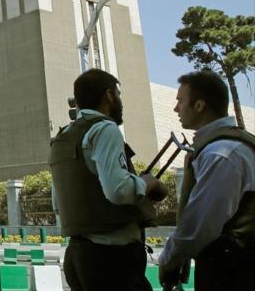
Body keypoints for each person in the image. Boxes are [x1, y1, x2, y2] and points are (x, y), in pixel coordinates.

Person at [50, 69, 168, 291]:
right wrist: (148, 183)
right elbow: (118, 190)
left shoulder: (64, 137)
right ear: (109, 95)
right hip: (112, 258)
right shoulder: (105, 129)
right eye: (118, 94)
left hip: (77, 255)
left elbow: (58, 203)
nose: (121, 101)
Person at [158, 70, 255, 291]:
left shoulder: (220, 154)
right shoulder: (231, 145)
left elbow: (200, 227)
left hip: (233, 273)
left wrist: (168, 260)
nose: (175, 108)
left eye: (181, 101)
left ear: (200, 105)